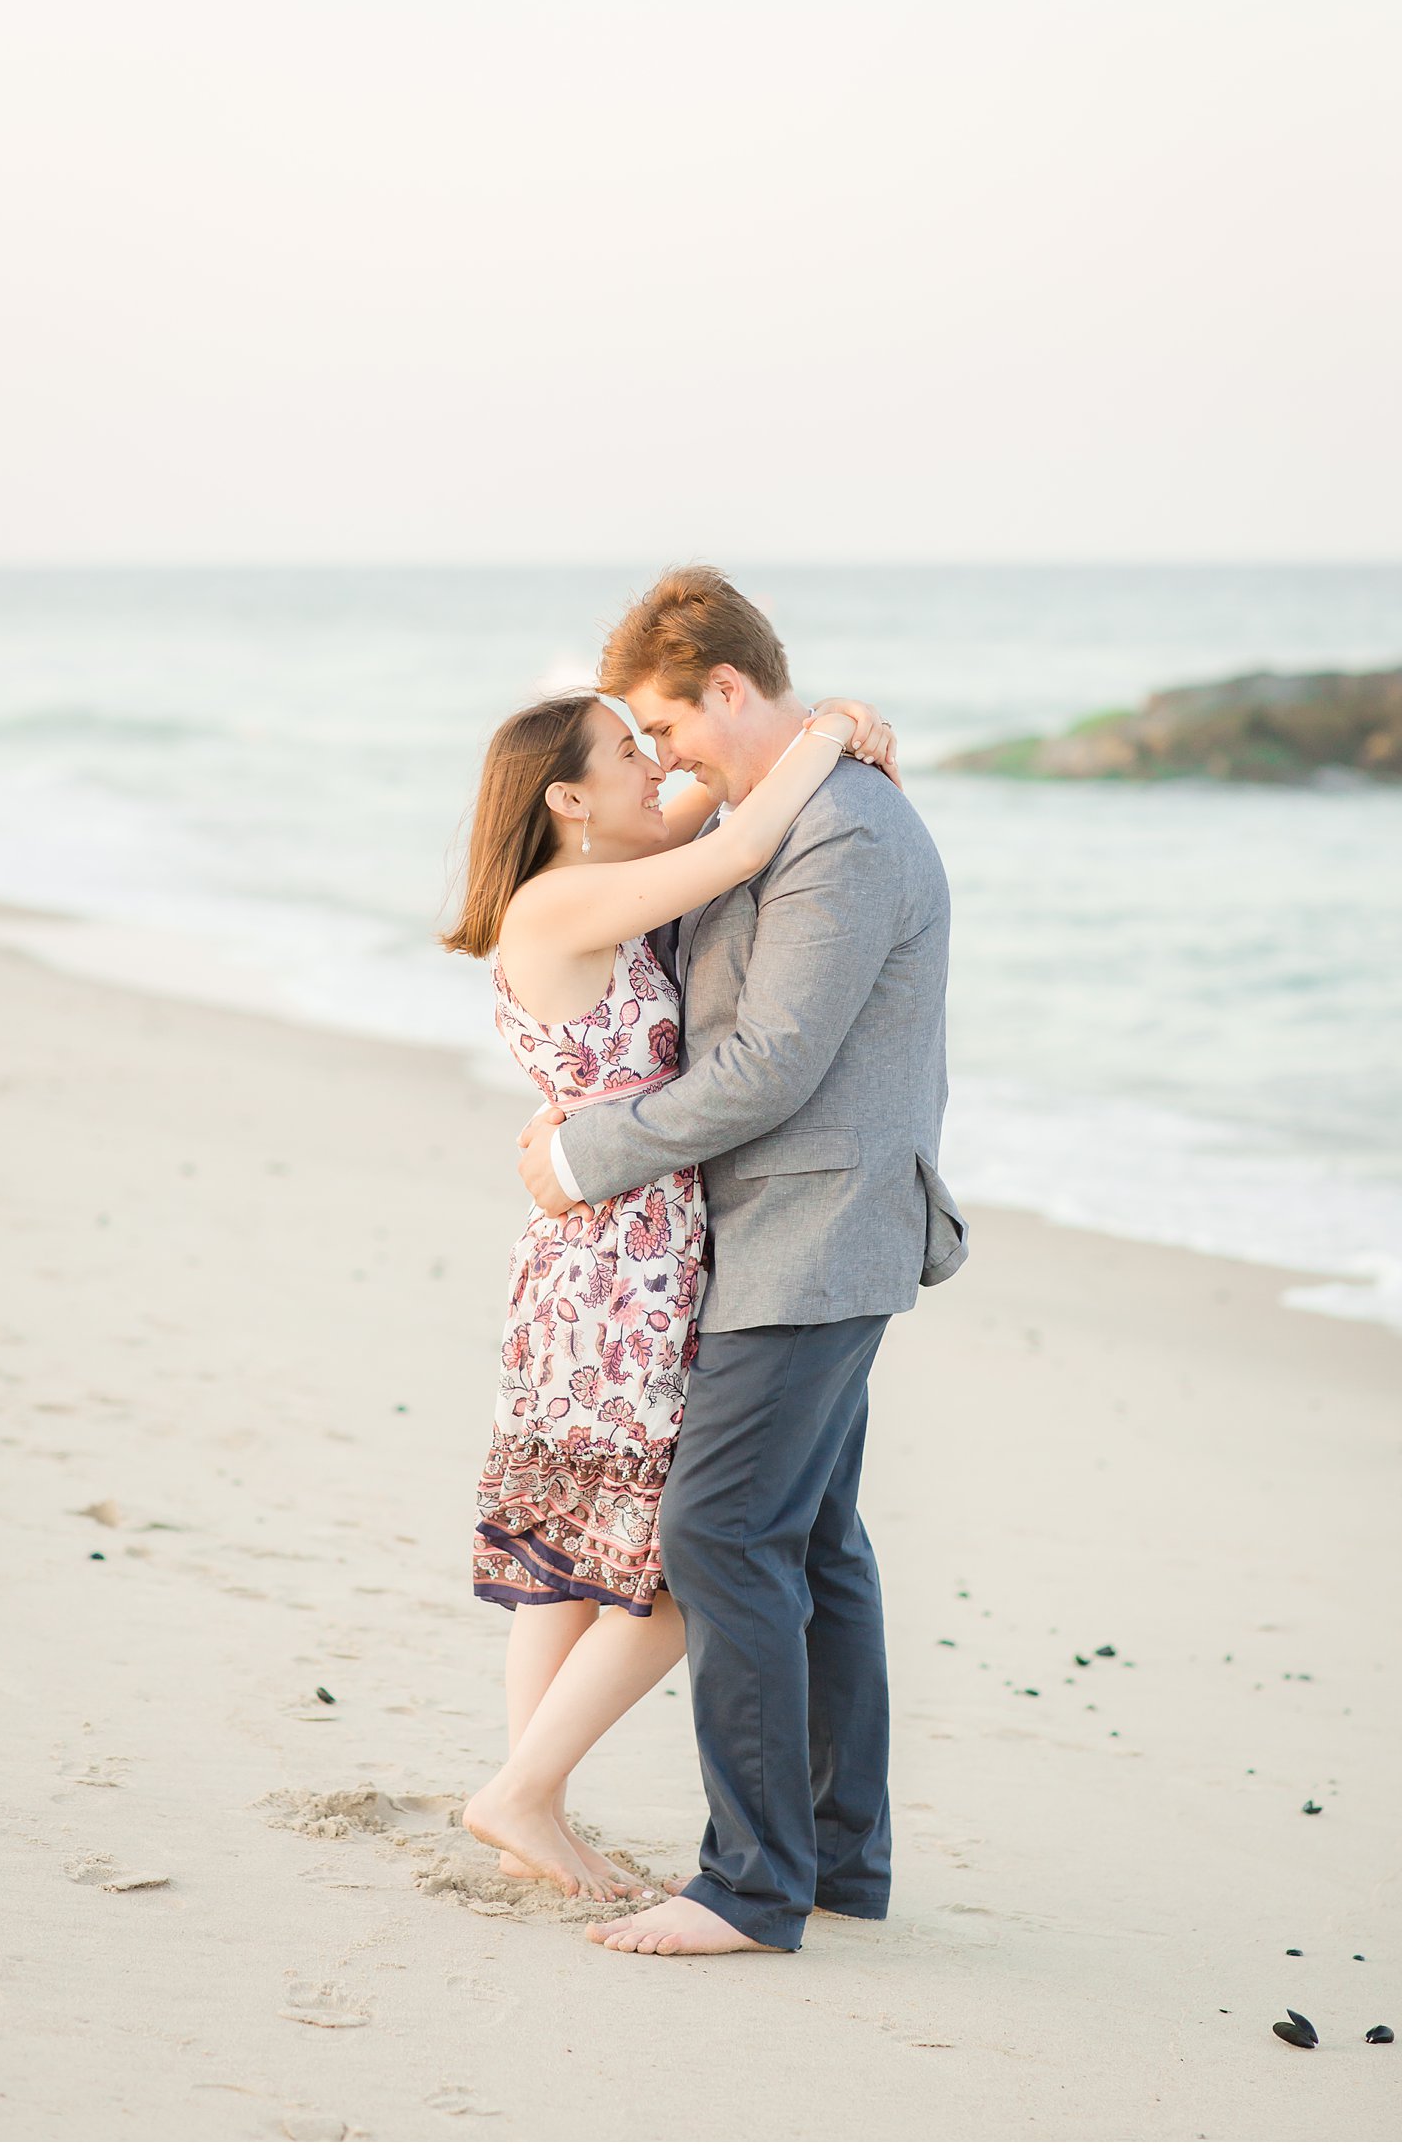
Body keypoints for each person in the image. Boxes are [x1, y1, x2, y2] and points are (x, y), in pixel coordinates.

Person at [515, 565, 967, 1957]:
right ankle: (841, 1863)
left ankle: (752, 1885)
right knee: (815, 1544)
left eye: (670, 727)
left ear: (725, 684)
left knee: (718, 1534)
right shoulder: (782, 815)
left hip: (816, 1232)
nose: (665, 759)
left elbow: (772, 1064)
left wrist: (586, 1154)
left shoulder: (844, 834)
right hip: (759, 1233)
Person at [439, 670, 897, 1904]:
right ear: (566, 799)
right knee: (668, 1566)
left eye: (655, 737)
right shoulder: (568, 898)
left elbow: (710, 788)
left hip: (600, 1254)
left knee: (573, 1552)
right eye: (625, 749)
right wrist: (836, 730)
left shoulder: (582, 875)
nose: (656, 763)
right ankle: (524, 1793)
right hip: (619, 1267)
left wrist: (784, 727)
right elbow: (746, 829)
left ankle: (534, 1804)